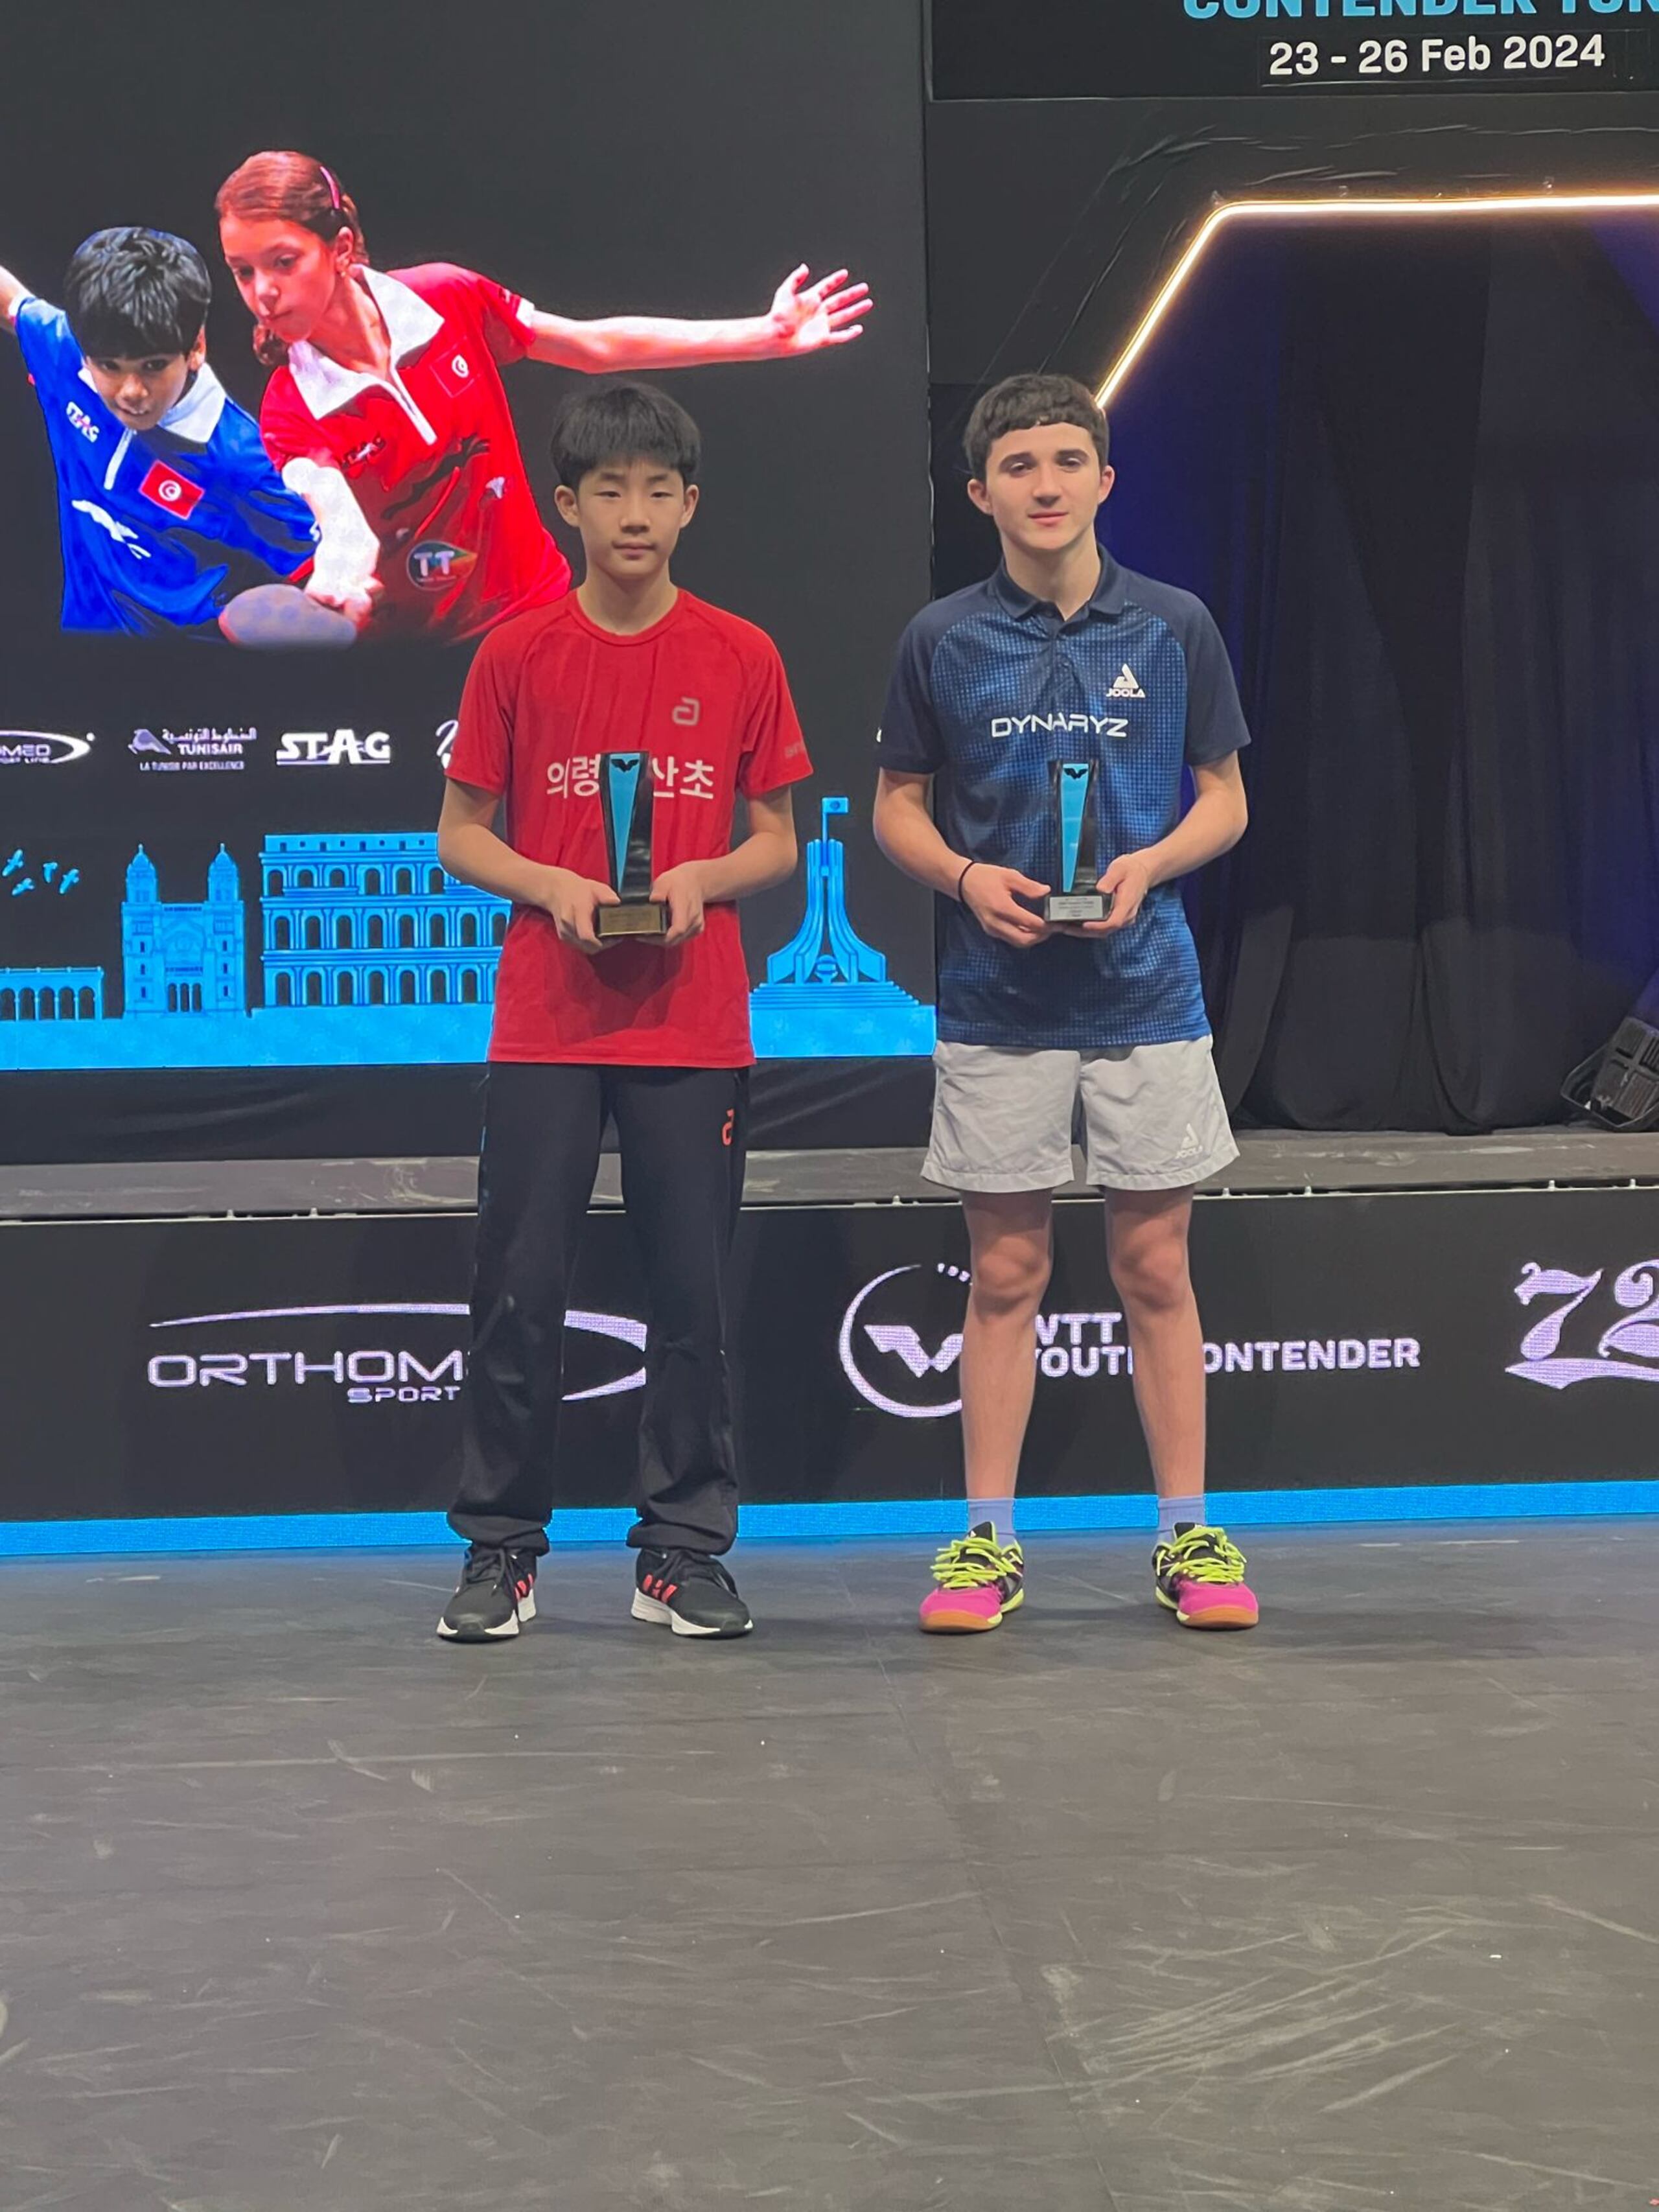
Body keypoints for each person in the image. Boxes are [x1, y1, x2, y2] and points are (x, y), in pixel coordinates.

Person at [872, 372, 1260, 1635]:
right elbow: (894, 807)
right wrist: (965, 873)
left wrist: (1148, 864)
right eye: (1019, 465)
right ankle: (983, 1541)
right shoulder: (938, 637)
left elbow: (1223, 796)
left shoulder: (1174, 625)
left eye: (1066, 460)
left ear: (1104, 477)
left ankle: (1185, 1533)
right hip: (996, 999)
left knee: (1154, 1263)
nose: (1044, 484)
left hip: (1145, 994)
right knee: (1004, 1270)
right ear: (979, 491)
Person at [434, 380, 811, 1644]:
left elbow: (776, 841)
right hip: (545, 1020)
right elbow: (459, 834)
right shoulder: (515, 652)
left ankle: (681, 1547)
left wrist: (699, 877)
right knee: (516, 1288)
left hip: (692, 1027)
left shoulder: (741, 652)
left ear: (689, 505)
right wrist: (555, 886)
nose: (633, 512)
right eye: (609, 490)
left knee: (689, 1297)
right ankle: (500, 1549)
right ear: (568, 505)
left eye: (658, 489)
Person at [215, 150, 871, 644]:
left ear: (341, 249)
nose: (261, 292)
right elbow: (338, 515)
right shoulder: (289, 405)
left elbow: (593, 346)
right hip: (420, 652)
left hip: (538, 614)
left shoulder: (446, 298)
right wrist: (340, 566)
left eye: (282, 262)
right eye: (242, 272)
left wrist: (765, 335)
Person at [0, 226, 316, 634]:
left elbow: (327, 578)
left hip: (184, 675)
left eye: (153, 366)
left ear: (196, 347)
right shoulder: (64, 351)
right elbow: (12, 304)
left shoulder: (244, 459)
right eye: (110, 367)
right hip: (81, 656)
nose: (132, 392)